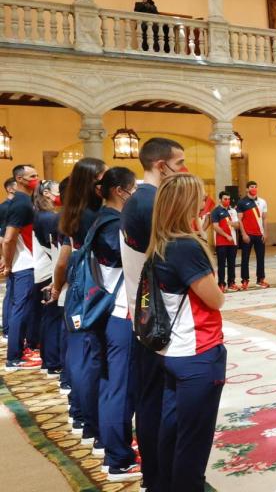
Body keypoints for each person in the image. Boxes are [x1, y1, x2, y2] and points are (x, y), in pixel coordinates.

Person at [146, 173, 226, 491]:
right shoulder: (185, 247)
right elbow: (215, 298)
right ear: (186, 204)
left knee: (173, 433)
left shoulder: (161, 243)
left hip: (173, 352)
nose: (203, 204)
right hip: (198, 352)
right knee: (193, 442)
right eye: (199, 199)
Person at [121, 137, 186, 491]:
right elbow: (174, 260)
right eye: (179, 165)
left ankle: (159, 472)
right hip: (155, 317)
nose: (183, 172)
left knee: (156, 397)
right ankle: (159, 476)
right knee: (155, 400)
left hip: (146, 311)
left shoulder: (141, 200)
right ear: (162, 166)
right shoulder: (150, 202)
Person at [90, 167, 141, 479]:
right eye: (133, 189)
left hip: (115, 309)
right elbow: (118, 257)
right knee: (119, 387)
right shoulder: (111, 223)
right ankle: (118, 458)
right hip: (120, 310)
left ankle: (116, 445)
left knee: (117, 384)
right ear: (122, 190)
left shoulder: (105, 219)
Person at [51, 158, 105, 451]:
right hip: (95, 289)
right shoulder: (96, 214)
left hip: (76, 289)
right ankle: (96, 426)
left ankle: (81, 416)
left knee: (79, 356)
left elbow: (64, 260)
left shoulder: (71, 213)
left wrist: (59, 287)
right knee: (94, 359)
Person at [3, 164, 42, 370]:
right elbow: (8, 238)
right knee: (21, 309)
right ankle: (14, 357)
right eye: (32, 176)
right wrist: (7, 263)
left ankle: (27, 348)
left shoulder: (23, 202)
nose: (37, 179)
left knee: (27, 308)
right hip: (25, 263)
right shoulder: (20, 204)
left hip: (26, 262)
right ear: (19, 179)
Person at [33, 180, 62, 377]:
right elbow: (56, 250)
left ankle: (48, 359)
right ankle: (52, 360)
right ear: (46, 193)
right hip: (48, 271)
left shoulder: (43, 215)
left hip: (46, 269)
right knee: (52, 317)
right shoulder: (48, 218)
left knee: (48, 317)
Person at [235, 181, 269, 289]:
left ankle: (261, 279)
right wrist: (243, 234)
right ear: (247, 189)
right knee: (245, 258)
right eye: (251, 187)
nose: (253, 188)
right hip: (248, 235)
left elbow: (264, 218)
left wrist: (265, 232)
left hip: (260, 235)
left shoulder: (262, 202)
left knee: (261, 258)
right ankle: (245, 280)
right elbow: (239, 220)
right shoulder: (241, 202)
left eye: (255, 187)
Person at [211, 191, 240, 292]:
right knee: (222, 264)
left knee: (232, 263)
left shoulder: (233, 211)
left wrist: (233, 223)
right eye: (225, 199)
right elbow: (215, 226)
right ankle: (221, 284)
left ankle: (231, 283)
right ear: (220, 199)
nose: (227, 201)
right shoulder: (216, 211)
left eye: (228, 199)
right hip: (221, 243)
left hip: (233, 242)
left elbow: (238, 225)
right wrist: (226, 236)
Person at [1, 177, 16, 342]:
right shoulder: (5, 208)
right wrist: (5, 259)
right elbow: (4, 237)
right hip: (10, 256)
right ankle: (7, 330)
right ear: (11, 189)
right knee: (11, 293)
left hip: (13, 254)